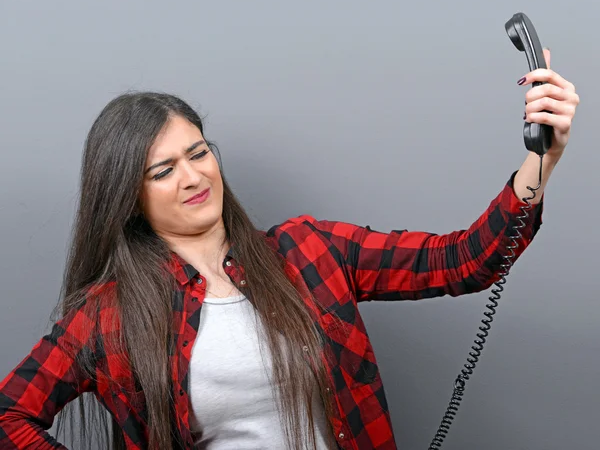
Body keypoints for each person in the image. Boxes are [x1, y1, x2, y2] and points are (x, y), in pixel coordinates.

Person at [0, 50, 579, 450]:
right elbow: (10, 415)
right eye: (163, 170)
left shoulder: (308, 250)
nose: (193, 177)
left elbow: (462, 260)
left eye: (199, 153)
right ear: (128, 197)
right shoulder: (108, 314)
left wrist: (541, 160)